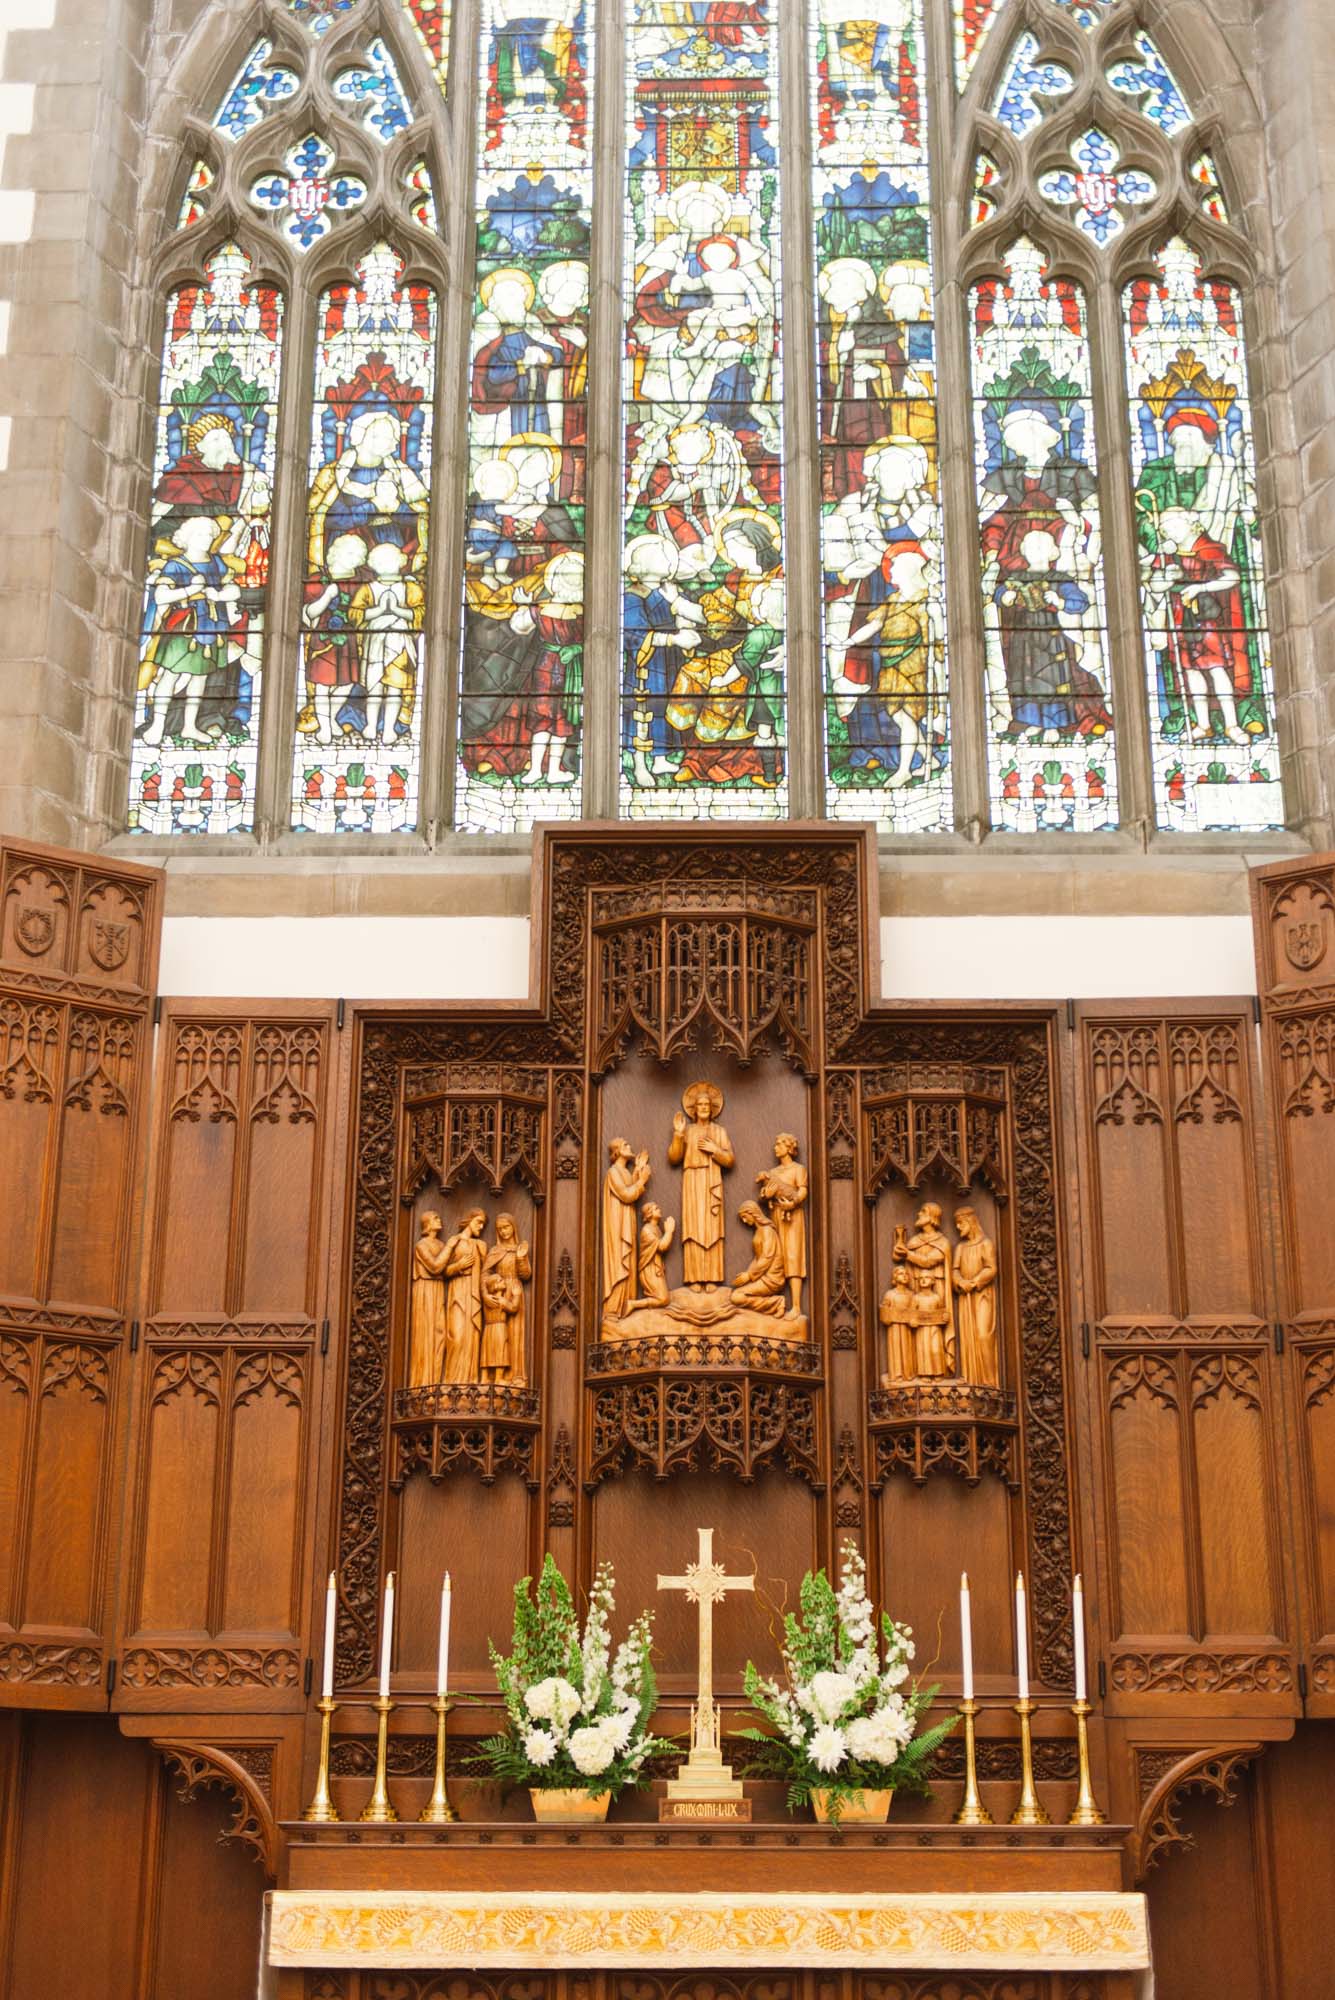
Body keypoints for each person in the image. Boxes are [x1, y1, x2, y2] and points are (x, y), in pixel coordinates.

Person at [668, 1082, 735, 1287]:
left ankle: (713, 1277)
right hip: (692, 1181)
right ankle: (694, 1278)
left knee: (713, 1229)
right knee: (693, 1229)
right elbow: (674, 1158)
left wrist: (715, 1150)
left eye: (707, 1104)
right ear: (694, 1109)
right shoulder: (687, 1131)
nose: (704, 1107)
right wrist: (678, 1134)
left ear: (712, 1109)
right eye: (700, 1104)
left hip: (712, 1180)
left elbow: (730, 1160)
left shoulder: (719, 1131)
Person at [756, 1133, 807, 1315]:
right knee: (777, 1256)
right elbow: (765, 1193)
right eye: (776, 1144)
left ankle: (796, 1306)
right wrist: (766, 1195)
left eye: (779, 1144)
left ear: (788, 1147)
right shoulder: (774, 1172)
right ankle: (776, 1303)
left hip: (792, 1216)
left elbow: (802, 1191)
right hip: (776, 1214)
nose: (775, 1147)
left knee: (793, 1256)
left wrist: (793, 1203)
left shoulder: (798, 1169)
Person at [602, 1138, 652, 1318]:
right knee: (619, 1263)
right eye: (625, 1145)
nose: (629, 1146)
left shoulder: (623, 1171)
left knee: (628, 1261)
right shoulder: (613, 1172)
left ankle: (625, 1308)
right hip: (618, 1225)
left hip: (626, 1222)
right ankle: (614, 1310)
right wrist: (642, 1181)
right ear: (617, 1152)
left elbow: (631, 1187)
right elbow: (626, 1194)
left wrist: (638, 1170)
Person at [480, 1212, 531, 1385]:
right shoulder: (495, 1251)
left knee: (514, 1334)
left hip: (514, 1290)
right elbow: (484, 1274)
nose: (503, 1231)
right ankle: (494, 1376)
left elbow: (525, 1275)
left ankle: (514, 1375)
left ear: (513, 1227)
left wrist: (521, 1258)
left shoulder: (519, 1249)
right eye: (500, 1229)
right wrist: (485, 1294)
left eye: (506, 1227)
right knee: (496, 1336)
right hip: (497, 1292)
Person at [953, 1207, 1000, 1388]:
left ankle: (989, 1382)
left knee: (983, 1334)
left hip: (982, 1295)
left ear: (970, 1222)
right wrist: (960, 1282)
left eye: (960, 1223)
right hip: (965, 1296)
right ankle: (970, 1378)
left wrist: (974, 1282)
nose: (958, 1227)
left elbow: (991, 1268)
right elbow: (955, 1271)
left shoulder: (985, 1244)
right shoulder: (960, 1247)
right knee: (967, 1336)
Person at [441, 1209, 486, 1383]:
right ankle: (452, 1381)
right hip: (458, 1291)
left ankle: (470, 1381)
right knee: (457, 1335)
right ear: (469, 1220)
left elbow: (487, 1271)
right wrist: (458, 1266)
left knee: (471, 1336)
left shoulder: (480, 1245)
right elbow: (443, 1270)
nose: (481, 1227)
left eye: (483, 1224)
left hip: (474, 1293)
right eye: (478, 1222)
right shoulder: (455, 1241)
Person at [407, 1211, 449, 1387]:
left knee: (440, 1333)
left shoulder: (441, 1244)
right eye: (435, 1218)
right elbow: (435, 1267)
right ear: (427, 1224)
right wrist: (451, 1246)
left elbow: (447, 1270)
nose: (439, 1220)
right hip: (425, 1290)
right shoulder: (421, 1245)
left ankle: (435, 1383)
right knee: (425, 1334)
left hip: (438, 1289)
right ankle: (422, 1385)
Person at [729, 1200, 788, 1316]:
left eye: (745, 1217)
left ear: (752, 1213)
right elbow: (757, 1258)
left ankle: (777, 1302)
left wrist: (749, 1275)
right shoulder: (759, 1231)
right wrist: (747, 1275)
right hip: (762, 1276)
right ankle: (774, 1303)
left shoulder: (767, 1231)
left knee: (736, 1297)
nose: (744, 1221)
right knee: (736, 1295)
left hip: (772, 1279)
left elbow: (766, 1258)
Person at [878, 1260, 918, 1383]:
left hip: (907, 1328)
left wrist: (913, 1319)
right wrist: (887, 1315)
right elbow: (885, 1310)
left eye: (906, 1274)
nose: (904, 1276)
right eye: (901, 1274)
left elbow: (914, 1310)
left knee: (907, 1349)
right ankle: (897, 1374)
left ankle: (908, 1373)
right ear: (895, 1277)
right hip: (894, 1327)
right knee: (896, 1348)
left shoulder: (911, 1295)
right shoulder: (890, 1294)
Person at [635, 1202, 675, 1307]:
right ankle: (633, 1304)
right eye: (656, 1208)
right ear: (649, 1213)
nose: (659, 1210)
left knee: (665, 1298)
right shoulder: (646, 1230)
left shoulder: (655, 1228)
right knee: (663, 1299)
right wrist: (669, 1231)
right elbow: (662, 1246)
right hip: (648, 1269)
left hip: (655, 1268)